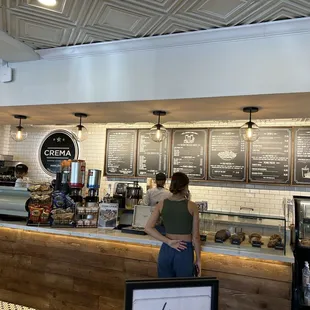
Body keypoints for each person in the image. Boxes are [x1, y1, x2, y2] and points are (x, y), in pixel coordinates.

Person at [145, 172, 201, 278]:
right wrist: (198, 260)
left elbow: (148, 228)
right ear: (185, 187)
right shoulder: (192, 206)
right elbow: (196, 237)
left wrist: (168, 242)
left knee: (165, 289)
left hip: (166, 249)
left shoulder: (161, 204)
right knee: (183, 289)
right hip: (184, 250)